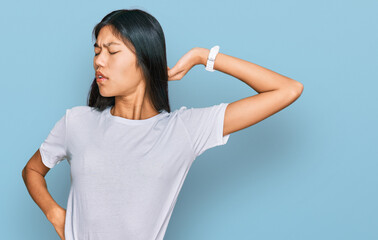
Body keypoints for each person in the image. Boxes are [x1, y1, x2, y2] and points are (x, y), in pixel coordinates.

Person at [21, 8, 303, 240]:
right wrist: (54, 213)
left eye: (112, 51)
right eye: (97, 51)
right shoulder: (77, 122)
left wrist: (202, 56)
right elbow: (32, 170)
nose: (99, 61)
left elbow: (287, 90)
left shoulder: (184, 130)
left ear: (144, 59)